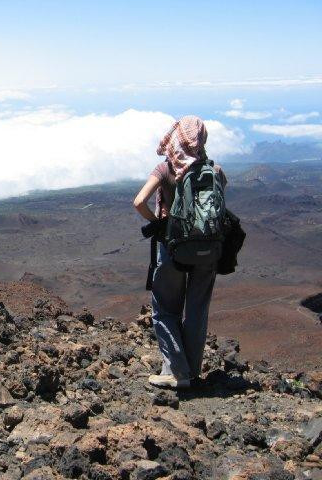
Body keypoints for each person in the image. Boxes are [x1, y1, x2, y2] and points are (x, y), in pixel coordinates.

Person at [133, 116, 226, 389]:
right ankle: (191, 371)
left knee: (164, 309)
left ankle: (177, 372)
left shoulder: (165, 169)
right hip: (209, 249)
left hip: (173, 248)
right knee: (197, 310)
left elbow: (139, 201)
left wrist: (158, 222)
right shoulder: (215, 170)